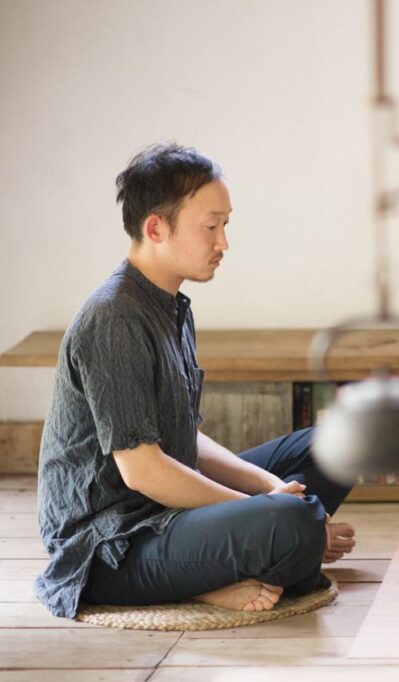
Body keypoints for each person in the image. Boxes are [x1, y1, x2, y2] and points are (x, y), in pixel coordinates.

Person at [35, 143, 355, 619]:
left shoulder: (170, 306)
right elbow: (143, 471)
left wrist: (268, 486)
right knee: (293, 524)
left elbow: (186, 438)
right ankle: (227, 572)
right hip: (112, 542)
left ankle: (248, 558)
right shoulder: (114, 319)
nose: (223, 242)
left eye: (226, 225)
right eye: (211, 226)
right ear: (155, 228)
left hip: (169, 511)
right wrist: (261, 509)